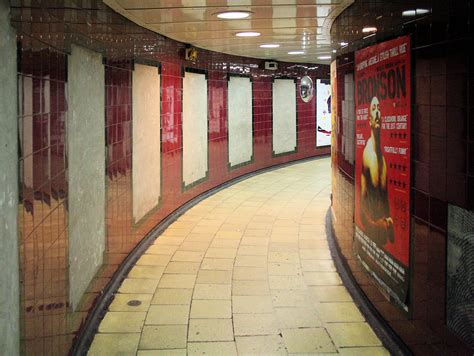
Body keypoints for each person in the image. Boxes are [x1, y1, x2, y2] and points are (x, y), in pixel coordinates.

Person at [360, 96, 394, 246]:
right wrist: (375, 225)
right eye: (374, 109)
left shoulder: (383, 160)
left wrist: (388, 219)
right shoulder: (368, 155)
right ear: (369, 120)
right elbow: (361, 205)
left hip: (382, 236)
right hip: (371, 232)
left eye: (379, 108)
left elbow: (384, 198)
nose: (378, 113)